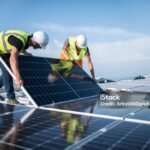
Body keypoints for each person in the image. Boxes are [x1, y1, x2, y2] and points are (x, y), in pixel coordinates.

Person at [0, 30, 49, 104]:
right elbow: (13, 58)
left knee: (11, 72)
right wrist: (18, 77)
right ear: (35, 42)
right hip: (2, 51)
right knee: (8, 70)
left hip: (4, 51)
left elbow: (18, 47)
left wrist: (25, 53)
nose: (40, 48)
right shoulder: (20, 41)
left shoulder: (28, 39)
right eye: (39, 46)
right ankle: (11, 98)